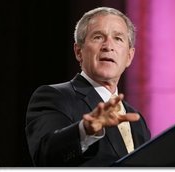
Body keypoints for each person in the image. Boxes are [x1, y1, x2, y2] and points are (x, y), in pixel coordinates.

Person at [25, 7, 151, 167]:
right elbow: (45, 156)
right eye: (98, 37)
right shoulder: (54, 96)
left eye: (118, 38)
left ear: (129, 56)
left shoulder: (136, 119)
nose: (108, 46)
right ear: (79, 52)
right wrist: (85, 131)